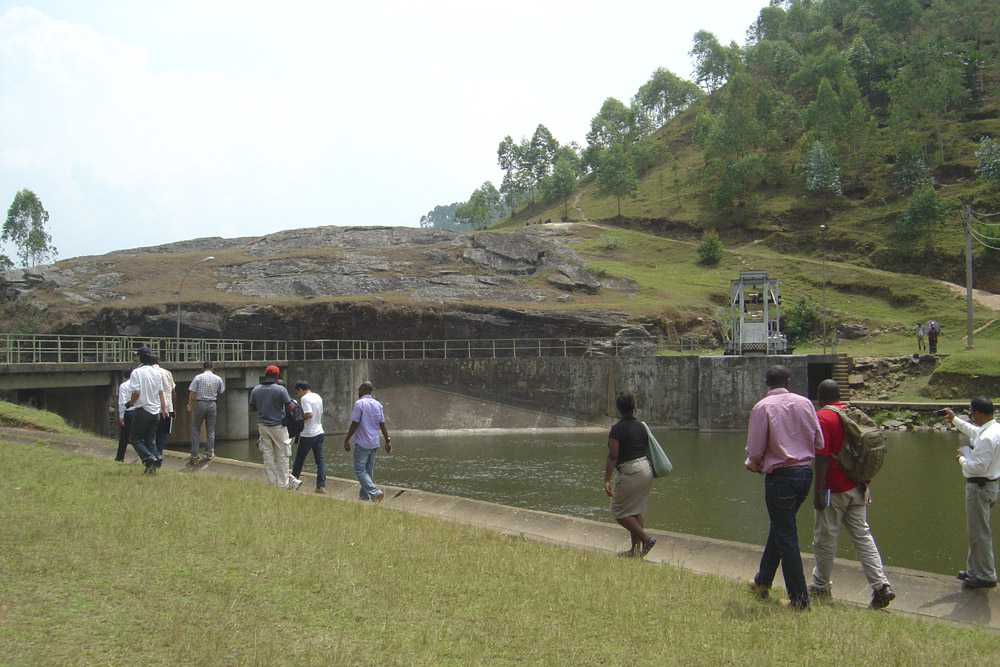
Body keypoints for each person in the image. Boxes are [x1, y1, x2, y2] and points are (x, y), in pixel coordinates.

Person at [811, 379, 895, 609]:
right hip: (858, 487)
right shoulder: (852, 412)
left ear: (820, 396)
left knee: (825, 540)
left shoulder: (823, 417)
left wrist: (817, 491)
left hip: (833, 489)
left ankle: (820, 587)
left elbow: (822, 456)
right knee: (863, 537)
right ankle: (881, 586)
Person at [745, 364, 824, 610]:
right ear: (788, 381)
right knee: (781, 528)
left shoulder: (762, 407)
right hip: (804, 475)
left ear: (767, 383)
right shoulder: (805, 403)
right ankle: (762, 582)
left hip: (781, 477)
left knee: (786, 535)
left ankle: (799, 600)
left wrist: (754, 464)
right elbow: (818, 441)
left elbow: (755, 448)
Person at [942, 397, 1000, 589]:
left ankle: (986, 576)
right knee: (977, 530)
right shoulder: (994, 429)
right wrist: (954, 419)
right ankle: (974, 570)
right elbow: (974, 431)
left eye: (972, 412)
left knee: (980, 533)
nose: (971, 416)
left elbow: (977, 467)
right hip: (990, 486)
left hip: (979, 487)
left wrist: (961, 459)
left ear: (979, 413)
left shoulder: (987, 437)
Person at [603, 390, 656, 559]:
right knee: (635, 510)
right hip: (646, 470)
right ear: (634, 407)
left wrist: (606, 480)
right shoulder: (641, 427)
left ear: (618, 408)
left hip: (630, 471)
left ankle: (646, 540)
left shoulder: (617, 429)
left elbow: (613, 456)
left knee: (619, 511)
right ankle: (634, 552)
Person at [249, 365, 300, 490]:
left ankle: (271, 483)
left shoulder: (256, 389)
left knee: (268, 455)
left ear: (265, 375)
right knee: (282, 455)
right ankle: (283, 485)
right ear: (277, 376)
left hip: (263, 426)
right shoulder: (280, 390)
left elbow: (252, 408)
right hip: (278, 426)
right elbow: (289, 407)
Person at [344, 381, 391, 502]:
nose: (358, 392)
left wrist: (347, 440)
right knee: (368, 471)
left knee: (359, 470)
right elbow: (383, 425)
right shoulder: (377, 404)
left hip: (362, 442)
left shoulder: (359, 404)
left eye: (359, 389)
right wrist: (387, 441)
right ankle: (363, 497)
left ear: (364, 389)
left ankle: (375, 492)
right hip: (374, 442)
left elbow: (354, 424)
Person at [127, 346, 168, 474]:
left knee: (135, 438)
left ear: (139, 357)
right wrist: (164, 409)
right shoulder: (156, 373)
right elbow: (161, 393)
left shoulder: (136, 372)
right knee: (150, 440)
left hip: (143, 410)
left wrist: (130, 403)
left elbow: (137, 392)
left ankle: (148, 458)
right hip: (156, 411)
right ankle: (153, 465)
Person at [291, 380, 326, 494]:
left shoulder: (305, 398)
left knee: (299, 460)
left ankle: (293, 482)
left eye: (298, 392)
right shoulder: (317, 396)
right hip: (319, 431)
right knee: (320, 461)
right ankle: (320, 486)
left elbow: (309, 414)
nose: (299, 395)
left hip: (308, 433)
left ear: (300, 390)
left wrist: (298, 419)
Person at [187, 360, 225, 460]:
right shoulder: (218, 378)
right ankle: (209, 452)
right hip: (212, 403)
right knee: (210, 430)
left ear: (203, 368)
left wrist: (189, 404)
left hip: (200, 403)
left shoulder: (198, 377)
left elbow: (192, 392)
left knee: (196, 428)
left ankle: (194, 453)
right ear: (213, 368)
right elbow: (221, 391)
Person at [151, 355, 176, 464]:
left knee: (151, 434)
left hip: (154, 408)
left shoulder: (148, 372)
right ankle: (159, 454)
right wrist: (174, 409)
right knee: (162, 434)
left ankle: (154, 455)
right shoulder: (167, 373)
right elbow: (173, 391)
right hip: (168, 407)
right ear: (159, 361)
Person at [115, 367, 138, 462]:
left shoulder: (124, 386)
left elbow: (122, 402)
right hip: (139, 411)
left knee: (124, 436)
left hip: (128, 412)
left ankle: (120, 457)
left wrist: (121, 416)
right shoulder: (138, 385)